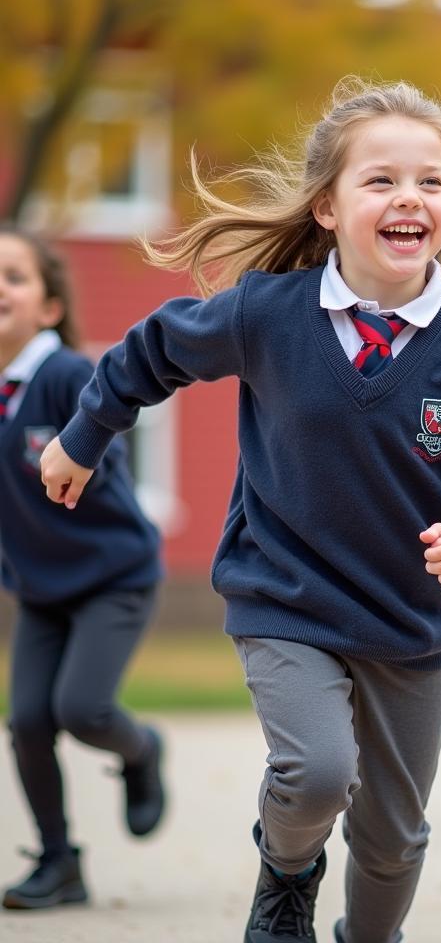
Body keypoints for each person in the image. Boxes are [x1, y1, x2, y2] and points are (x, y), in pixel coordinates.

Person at [38, 78, 441, 943]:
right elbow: (153, 352)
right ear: (327, 206)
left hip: (411, 621)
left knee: (394, 841)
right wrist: (84, 434)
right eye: (381, 180)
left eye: (432, 182)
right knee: (316, 773)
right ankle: (286, 873)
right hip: (287, 595)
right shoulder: (267, 316)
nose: (410, 198)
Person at [0, 228, 165, 911]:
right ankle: (60, 863)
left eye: (13, 277)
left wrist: (74, 461)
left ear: (48, 307)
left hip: (112, 574)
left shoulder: (67, 376)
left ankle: (143, 751)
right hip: (41, 587)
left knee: (82, 708)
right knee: (28, 721)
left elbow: (102, 460)